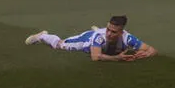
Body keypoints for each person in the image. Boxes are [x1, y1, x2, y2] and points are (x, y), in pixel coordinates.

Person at [24, 15, 157, 62]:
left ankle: (96, 29)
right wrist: (117, 58)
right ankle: (42, 36)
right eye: (108, 30)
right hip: (85, 42)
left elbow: (152, 50)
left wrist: (142, 55)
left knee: (101, 40)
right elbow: (96, 57)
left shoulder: (127, 37)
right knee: (60, 44)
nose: (109, 34)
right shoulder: (100, 36)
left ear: (121, 32)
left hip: (98, 39)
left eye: (113, 32)